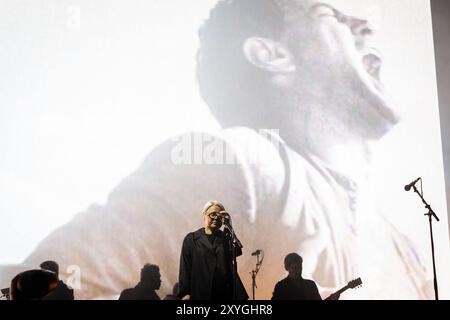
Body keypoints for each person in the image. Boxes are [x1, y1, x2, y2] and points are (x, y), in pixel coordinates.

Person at [0, 0, 432, 299]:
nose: (365, 24)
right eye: (330, 14)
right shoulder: (240, 164)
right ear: (271, 54)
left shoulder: (406, 248)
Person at [178, 201, 248, 300]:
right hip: (200, 292)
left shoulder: (224, 237)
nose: (216, 218)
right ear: (204, 216)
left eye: (219, 215)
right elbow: (185, 267)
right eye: (212, 214)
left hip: (223, 292)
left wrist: (229, 225)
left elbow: (237, 251)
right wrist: (185, 293)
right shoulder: (192, 239)